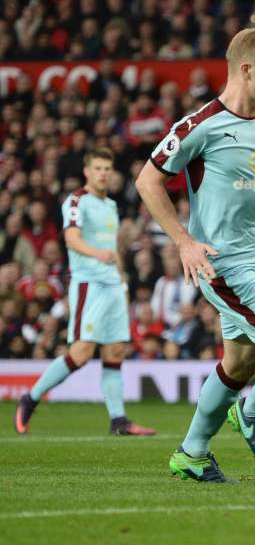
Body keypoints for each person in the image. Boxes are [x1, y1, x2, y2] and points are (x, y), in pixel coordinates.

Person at [135, 26, 255, 483]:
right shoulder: (198, 126)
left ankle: (191, 453)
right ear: (246, 69)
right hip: (222, 266)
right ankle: (253, 410)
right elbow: (147, 181)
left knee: (241, 363)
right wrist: (183, 241)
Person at [15, 149, 155, 436]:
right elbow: (71, 239)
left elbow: (113, 250)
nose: (104, 173)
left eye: (108, 168)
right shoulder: (77, 200)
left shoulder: (111, 205)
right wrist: (98, 254)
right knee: (80, 353)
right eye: (99, 167)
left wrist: (123, 283)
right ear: (87, 171)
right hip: (89, 284)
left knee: (115, 350)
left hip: (113, 285)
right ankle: (31, 397)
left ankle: (119, 421)